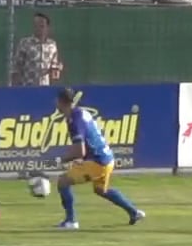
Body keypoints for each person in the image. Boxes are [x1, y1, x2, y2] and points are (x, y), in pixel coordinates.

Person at [54, 87, 144, 230]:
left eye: (57, 101)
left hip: (97, 162)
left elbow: (80, 151)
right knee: (101, 190)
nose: (56, 104)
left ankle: (71, 221)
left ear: (61, 102)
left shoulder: (74, 120)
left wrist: (61, 160)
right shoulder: (82, 113)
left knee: (63, 182)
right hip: (106, 158)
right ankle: (134, 212)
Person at [11, 12, 64, 87]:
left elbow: (54, 69)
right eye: (36, 26)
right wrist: (15, 88)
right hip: (27, 86)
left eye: (41, 26)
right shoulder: (25, 43)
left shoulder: (52, 45)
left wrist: (57, 68)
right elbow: (16, 68)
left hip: (45, 87)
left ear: (47, 27)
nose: (38, 28)